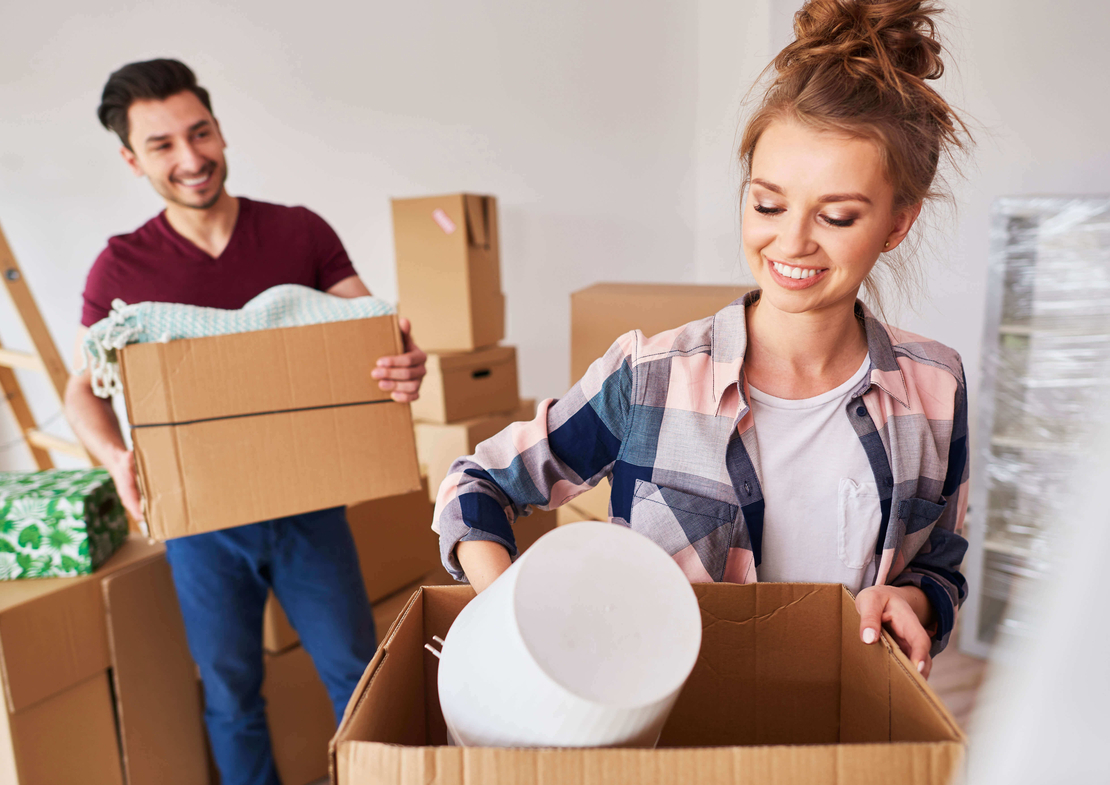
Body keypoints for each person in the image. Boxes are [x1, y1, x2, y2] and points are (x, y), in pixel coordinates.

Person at [433, 0, 971, 678]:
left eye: (836, 216)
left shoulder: (937, 388)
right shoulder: (651, 377)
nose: (791, 241)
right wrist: (513, 615)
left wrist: (913, 600)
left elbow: (941, 566)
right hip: (674, 737)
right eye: (767, 203)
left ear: (897, 225)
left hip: (846, 731)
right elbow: (474, 484)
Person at [63, 59, 426, 785]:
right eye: (163, 145)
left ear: (221, 131)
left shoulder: (297, 233)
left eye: (200, 133)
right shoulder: (122, 268)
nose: (191, 159)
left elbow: (370, 328)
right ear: (133, 160)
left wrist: (403, 359)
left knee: (360, 676)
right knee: (230, 694)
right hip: (203, 523)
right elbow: (83, 389)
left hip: (309, 509)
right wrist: (113, 456)